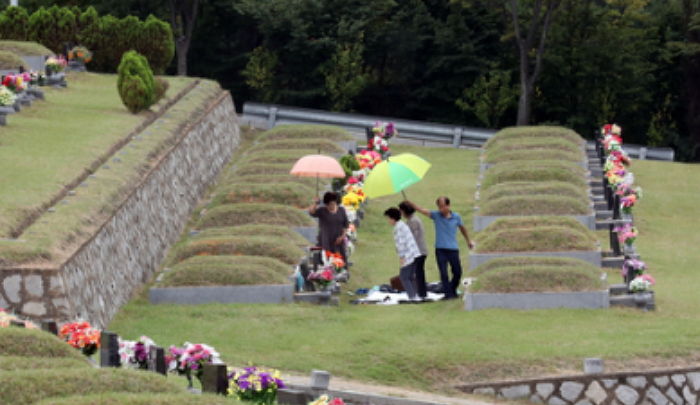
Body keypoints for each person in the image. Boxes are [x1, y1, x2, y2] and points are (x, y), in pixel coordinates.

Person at [408, 197, 474, 299]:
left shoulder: (456, 217)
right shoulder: (436, 216)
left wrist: (468, 241)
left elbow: (463, 229)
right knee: (443, 273)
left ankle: (452, 289)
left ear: (448, 205)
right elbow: (421, 210)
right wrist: (411, 203)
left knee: (457, 272)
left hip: (453, 249)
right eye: (439, 207)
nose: (441, 209)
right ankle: (448, 295)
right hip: (440, 250)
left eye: (443, 206)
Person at [384, 207, 421, 301]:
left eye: (388, 218)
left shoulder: (398, 228)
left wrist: (401, 257)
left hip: (408, 254)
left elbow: (401, 244)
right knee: (411, 276)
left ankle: (412, 296)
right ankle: (415, 295)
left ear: (393, 218)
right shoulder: (403, 225)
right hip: (414, 253)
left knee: (404, 277)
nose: (388, 221)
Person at [308, 191, 349, 262]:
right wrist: (315, 203)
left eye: (333, 204)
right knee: (326, 261)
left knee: (340, 261)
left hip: (338, 241)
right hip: (325, 241)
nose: (331, 206)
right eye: (329, 205)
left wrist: (342, 237)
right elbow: (311, 212)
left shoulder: (341, 210)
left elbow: (345, 225)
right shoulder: (322, 211)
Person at [399, 201, 428, 299]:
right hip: (416, 251)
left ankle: (421, 293)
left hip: (418, 251)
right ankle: (418, 292)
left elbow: (413, 238)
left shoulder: (413, 221)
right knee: (416, 272)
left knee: (418, 273)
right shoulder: (411, 220)